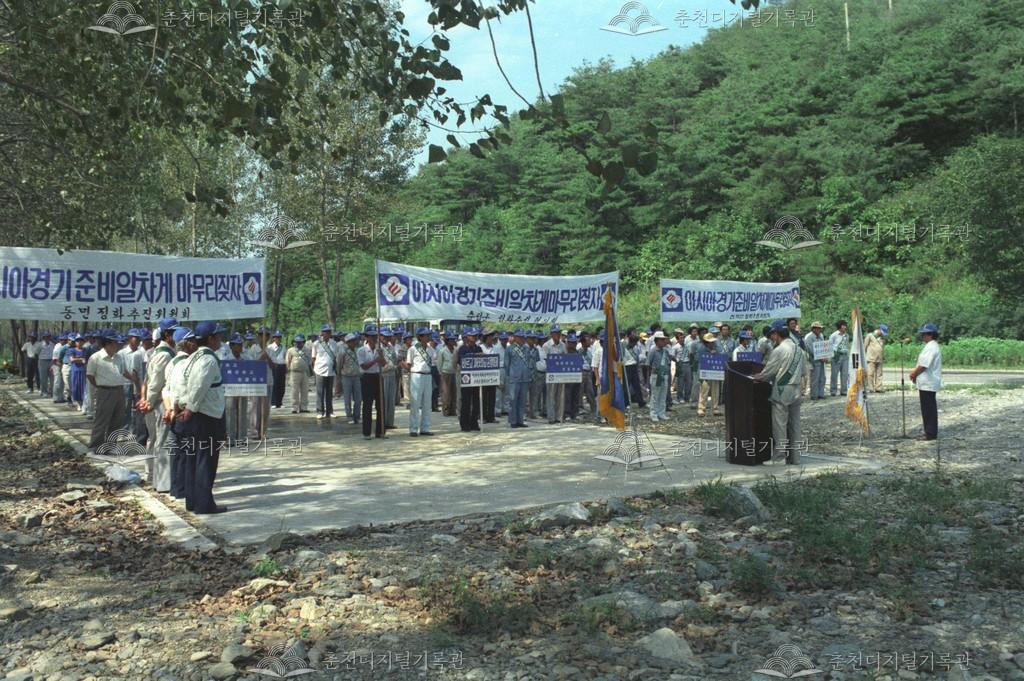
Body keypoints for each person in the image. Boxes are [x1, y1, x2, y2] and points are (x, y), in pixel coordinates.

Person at [175, 321, 228, 514]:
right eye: (218, 336)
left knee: (193, 458)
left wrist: (180, 404)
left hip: (195, 413)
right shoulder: (208, 360)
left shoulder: (191, 358)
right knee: (206, 459)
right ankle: (204, 504)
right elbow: (198, 386)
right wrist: (190, 408)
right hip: (206, 415)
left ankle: (193, 501)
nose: (220, 339)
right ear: (211, 338)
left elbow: (181, 383)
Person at [753, 320, 806, 464]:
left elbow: (768, 372)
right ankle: (795, 457)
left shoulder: (779, 350)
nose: (771, 338)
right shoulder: (799, 349)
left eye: (772, 334)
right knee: (795, 425)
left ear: (776, 334)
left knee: (780, 424)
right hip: (797, 388)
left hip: (783, 389)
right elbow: (804, 371)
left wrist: (757, 377)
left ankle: (779, 458)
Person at [139, 317, 178, 492]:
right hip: (161, 402)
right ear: (168, 334)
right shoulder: (164, 355)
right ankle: (162, 482)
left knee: (156, 439)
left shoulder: (160, 352)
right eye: (175, 332)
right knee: (162, 440)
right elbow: (155, 382)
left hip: (158, 400)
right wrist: (150, 401)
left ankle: (155, 475)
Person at [86, 330, 134, 450]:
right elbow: (90, 375)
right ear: (107, 344)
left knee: (117, 420)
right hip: (104, 391)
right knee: (102, 420)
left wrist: (135, 379)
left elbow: (123, 372)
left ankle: (110, 447)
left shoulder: (118, 357)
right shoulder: (96, 357)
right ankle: (96, 446)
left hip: (119, 391)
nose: (117, 346)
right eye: (114, 343)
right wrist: (100, 386)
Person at [164, 326, 195, 500]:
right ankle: (182, 488)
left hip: (172, 410)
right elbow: (180, 392)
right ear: (188, 343)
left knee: (177, 451)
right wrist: (175, 409)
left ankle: (176, 488)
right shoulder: (186, 364)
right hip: (182, 411)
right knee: (184, 452)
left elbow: (166, 389)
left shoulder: (172, 362)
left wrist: (169, 409)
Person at [909, 323, 942, 441]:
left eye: (924, 334)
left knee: (929, 409)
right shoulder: (931, 346)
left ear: (930, 335)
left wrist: (913, 374)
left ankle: (930, 433)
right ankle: (928, 431)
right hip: (926, 382)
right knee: (927, 408)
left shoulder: (931, 347)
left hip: (928, 382)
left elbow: (924, 365)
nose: (922, 336)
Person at [357, 325, 387, 440]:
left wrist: (381, 357)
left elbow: (384, 364)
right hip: (367, 378)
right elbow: (364, 366)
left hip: (378, 376)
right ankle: (367, 432)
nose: (374, 338)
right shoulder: (362, 350)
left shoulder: (380, 349)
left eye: (375, 336)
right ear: (366, 337)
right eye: (371, 336)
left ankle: (380, 431)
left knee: (380, 405)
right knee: (367, 405)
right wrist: (375, 360)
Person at [406, 327, 436, 437]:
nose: (428, 337)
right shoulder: (413, 349)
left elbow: (433, 364)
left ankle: (425, 428)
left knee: (427, 403)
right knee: (415, 403)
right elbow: (408, 365)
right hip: (416, 375)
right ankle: (413, 428)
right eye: (426, 335)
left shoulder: (431, 349)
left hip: (427, 376)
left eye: (429, 335)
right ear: (420, 337)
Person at [223, 334, 249, 446]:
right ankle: (230, 438)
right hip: (229, 390)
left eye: (241, 345)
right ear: (232, 346)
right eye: (238, 345)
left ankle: (242, 438)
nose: (240, 347)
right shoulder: (225, 358)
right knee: (230, 413)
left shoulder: (246, 358)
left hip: (243, 389)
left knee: (242, 412)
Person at [504, 329, 531, 428]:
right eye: (520, 337)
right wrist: (510, 376)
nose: (522, 339)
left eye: (523, 337)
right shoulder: (510, 348)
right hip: (514, 378)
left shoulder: (526, 348)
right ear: (515, 337)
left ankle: (520, 420)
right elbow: (506, 365)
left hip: (524, 378)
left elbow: (527, 362)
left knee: (522, 401)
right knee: (513, 400)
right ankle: (513, 421)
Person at [310, 324, 337, 419]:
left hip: (330, 371)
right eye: (325, 332)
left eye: (329, 332)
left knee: (329, 392)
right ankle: (320, 411)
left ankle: (330, 411)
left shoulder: (334, 343)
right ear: (322, 333)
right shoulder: (316, 344)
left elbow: (335, 357)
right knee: (320, 392)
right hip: (319, 370)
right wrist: (314, 370)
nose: (327, 334)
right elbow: (313, 358)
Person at [457, 328, 482, 432]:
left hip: (476, 378)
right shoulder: (462, 348)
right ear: (467, 337)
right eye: (473, 336)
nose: (475, 338)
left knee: (476, 401)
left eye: (476, 336)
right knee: (466, 402)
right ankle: (464, 424)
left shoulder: (478, 348)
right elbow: (461, 360)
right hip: (466, 377)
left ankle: (474, 423)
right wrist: (475, 356)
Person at [335, 332, 362, 424]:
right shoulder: (342, 351)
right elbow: (339, 365)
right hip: (346, 377)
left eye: (355, 340)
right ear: (348, 342)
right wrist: (339, 376)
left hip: (357, 376)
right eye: (353, 341)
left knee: (358, 398)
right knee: (347, 399)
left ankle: (357, 416)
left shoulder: (358, 350)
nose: (355, 342)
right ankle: (349, 416)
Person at [695, 333, 722, 417]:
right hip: (705, 373)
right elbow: (697, 359)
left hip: (715, 372)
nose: (712, 343)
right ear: (706, 342)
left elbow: (720, 357)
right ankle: (701, 408)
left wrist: (715, 353)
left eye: (712, 342)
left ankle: (715, 408)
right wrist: (710, 353)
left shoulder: (716, 349)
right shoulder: (700, 349)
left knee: (716, 390)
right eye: (710, 342)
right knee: (704, 390)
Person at [648, 330, 672, 421]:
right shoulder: (653, 350)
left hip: (664, 374)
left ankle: (661, 413)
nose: (664, 341)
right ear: (657, 341)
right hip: (655, 375)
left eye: (664, 340)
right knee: (655, 395)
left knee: (663, 395)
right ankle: (653, 413)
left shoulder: (665, 351)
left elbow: (667, 362)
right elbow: (648, 364)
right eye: (662, 340)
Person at [286, 334, 311, 414]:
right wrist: (288, 370)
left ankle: (304, 407)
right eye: (296, 342)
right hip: (294, 373)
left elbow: (309, 360)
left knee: (305, 390)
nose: (297, 344)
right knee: (294, 391)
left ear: (303, 342)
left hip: (304, 372)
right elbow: (288, 360)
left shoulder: (307, 349)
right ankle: (294, 407)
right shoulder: (291, 350)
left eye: (300, 342)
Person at [380, 327, 399, 429]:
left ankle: (389, 422)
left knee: (391, 400)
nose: (386, 339)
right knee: (384, 400)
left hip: (392, 374)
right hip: (383, 375)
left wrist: (394, 367)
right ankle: (383, 422)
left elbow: (395, 360)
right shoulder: (379, 348)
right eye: (384, 336)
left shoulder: (391, 347)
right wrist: (391, 366)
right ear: (380, 336)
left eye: (388, 337)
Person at [804, 321, 827, 400]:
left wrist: (825, 356)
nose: (820, 330)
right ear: (813, 329)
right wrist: (820, 357)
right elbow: (811, 350)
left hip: (821, 359)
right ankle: (814, 395)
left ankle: (821, 394)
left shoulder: (821, 335)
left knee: (822, 378)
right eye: (818, 328)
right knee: (815, 378)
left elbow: (824, 346)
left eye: (820, 328)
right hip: (813, 360)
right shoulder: (808, 337)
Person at [479, 330, 499, 423]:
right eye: (490, 338)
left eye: (492, 338)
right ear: (486, 338)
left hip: (493, 375)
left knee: (492, 397)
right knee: (483, 397)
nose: (491, 339)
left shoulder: (494, 348)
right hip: (483, 376)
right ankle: (483, 417)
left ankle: (491, 416)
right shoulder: (481, 347)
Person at [622, 332, 646, 408]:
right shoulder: (623, 345)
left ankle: (641, 402)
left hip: (634, 366)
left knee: (637, 385)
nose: (634, 345)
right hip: (626, 367)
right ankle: (626, 403)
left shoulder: (635, 347)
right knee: (626, 386)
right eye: (633, 343)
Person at [438, 332, 458, 417]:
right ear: (447, 341)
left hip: (454, 372)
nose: (453, 341)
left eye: (454, 339)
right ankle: (446, 410)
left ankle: (453, 410)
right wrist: (441, 373)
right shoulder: (442, 350)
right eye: (451, 340)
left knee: (454, 392)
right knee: (446, 393)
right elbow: (439, 363)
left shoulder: (456, 350)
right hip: (445, 373)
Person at [829, 320, 851, 397]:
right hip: (836, 356)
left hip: (845, 356)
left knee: (845, 374)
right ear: (840, 326)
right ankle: (833, 391)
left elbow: (847, 345)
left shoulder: (847, 335)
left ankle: (844, 390)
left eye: (845, 325)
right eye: (843, 325)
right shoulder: (833, 335)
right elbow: (830, 346)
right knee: (834, 374)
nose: (845, 327)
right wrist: (832, 356)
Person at [865, 324, 888, 393]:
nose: (883, 334)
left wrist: (883, 356)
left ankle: (879, 387)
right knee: (870, 374)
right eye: (882, 332)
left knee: (879, 374)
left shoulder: (882, 338)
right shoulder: (870, 335)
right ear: (879, 329)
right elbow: (865, 346)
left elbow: (882, 347)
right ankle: (871, 388)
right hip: (871, 358)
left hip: (879, 358)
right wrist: (865, 355)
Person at [267, 330, 287, 408]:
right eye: (277, 337)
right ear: (274, 338)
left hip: (282, 366)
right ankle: (273, 402)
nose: (278, 339)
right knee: (274, 384)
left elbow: (285, 356)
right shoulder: (270, 347)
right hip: (274, 367)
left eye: (279, 337)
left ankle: (280, 402)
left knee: (281, 385)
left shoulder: (283, 347)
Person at [527, 331, 545, 419]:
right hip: (525, 375)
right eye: (531, 338)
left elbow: (537, 361)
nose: (533, 340)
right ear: (527, 339)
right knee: (524, 397)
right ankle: (523, 414)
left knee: (534, 395)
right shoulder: (523, 349)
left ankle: (533, 413)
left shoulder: (535, 349)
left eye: (534, 338)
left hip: (534, 374)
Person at [37, 332, 54, 396]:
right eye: (45, 337)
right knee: (43, 377)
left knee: (52, 377)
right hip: (42, 361)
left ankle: (51, 391)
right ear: (43, 338)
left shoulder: (52, 344)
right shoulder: (40, 344)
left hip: (51, 361)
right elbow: (36, 353)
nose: (47, 338)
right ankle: (44, 391)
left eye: (48, 337)